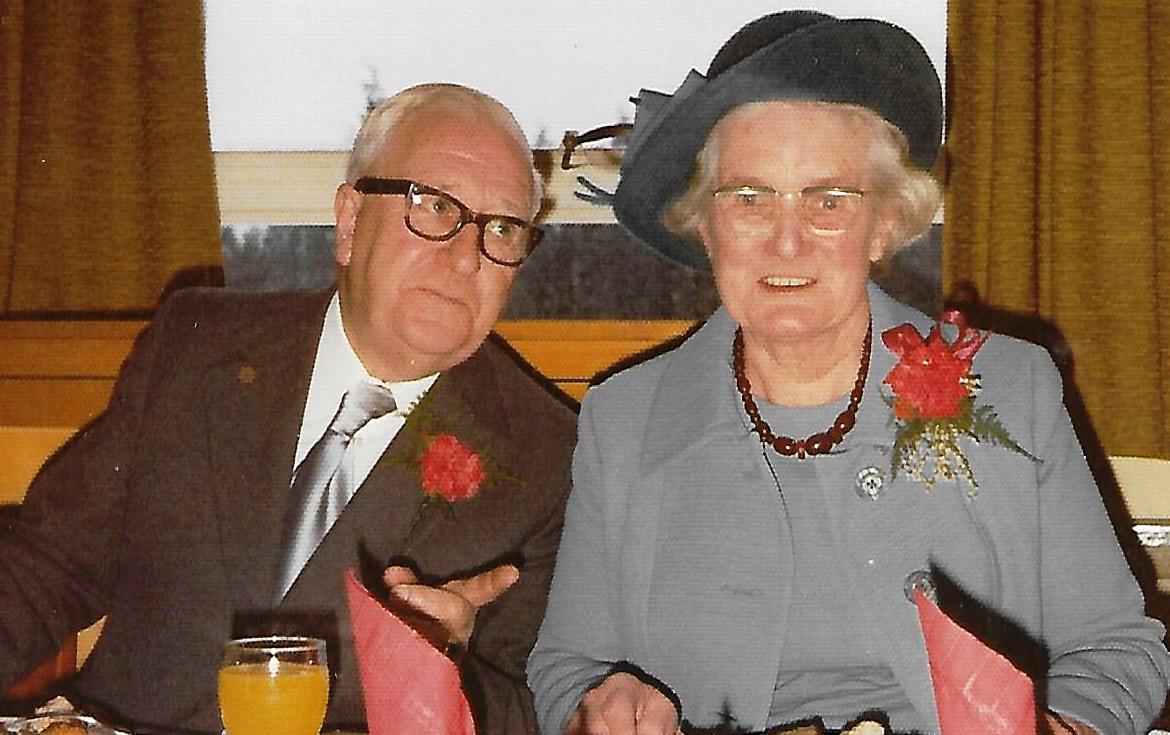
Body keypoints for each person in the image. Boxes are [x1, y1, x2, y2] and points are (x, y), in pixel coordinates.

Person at [528, 12, 1170, 735]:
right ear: (704, 224)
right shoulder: (624, 417)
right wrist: (597, 712)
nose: (788, 238)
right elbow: (566, 666)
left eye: (829, 200)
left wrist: (1060, 729)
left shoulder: (1011, 388)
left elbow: (1119, 649)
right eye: (749, 197)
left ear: (888, 223)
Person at [0, 83, 576, 734]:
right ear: (351, 222)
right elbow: (48, 565)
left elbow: (539, 711)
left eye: (502, 228)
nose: (467, 256)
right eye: (435, 206)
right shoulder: (197, 349)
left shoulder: (548, 460)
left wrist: (437, 674)